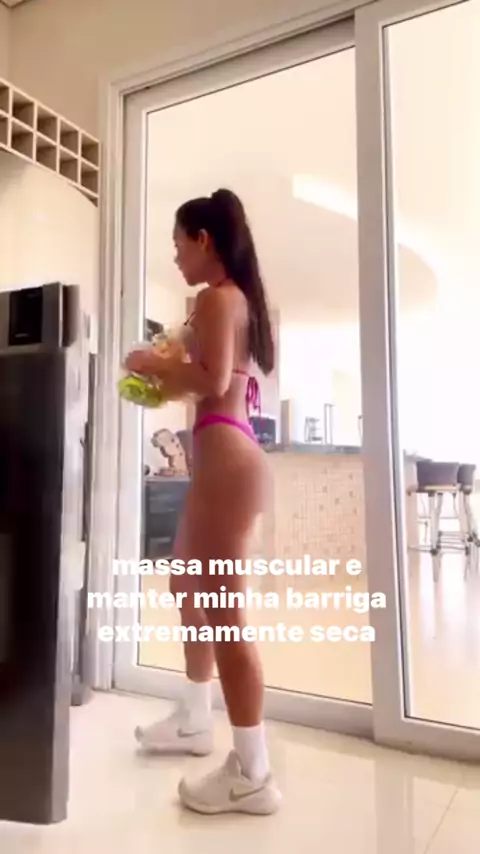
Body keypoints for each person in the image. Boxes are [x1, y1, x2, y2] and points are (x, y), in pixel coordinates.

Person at [125, 189, 281, 816]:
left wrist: (151, 363)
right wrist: (160, 376)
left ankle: (254, 772)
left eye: (178, 245)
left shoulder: (218, 298)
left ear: (204, 240)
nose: (175, 257)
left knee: (223, 614)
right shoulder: (225, 300)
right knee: (187, 583)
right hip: (220, 460)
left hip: (229, 466)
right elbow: (213, 381)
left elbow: (211, 379)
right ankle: (194, 718)